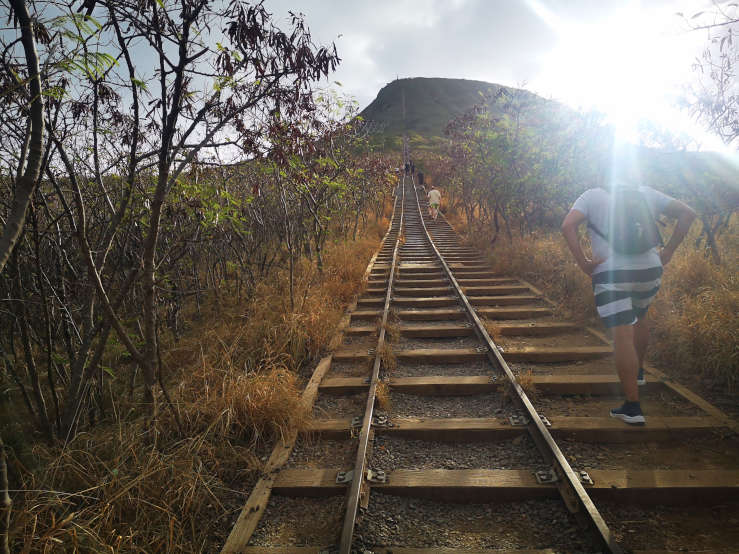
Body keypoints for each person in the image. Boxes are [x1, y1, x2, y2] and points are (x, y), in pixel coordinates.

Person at [561, 180, 695, 425]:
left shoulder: (591, 195)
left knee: (622, 335)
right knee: (639, 316)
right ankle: (639, 372)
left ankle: (632, 406)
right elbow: (688, 213)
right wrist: (669, 252)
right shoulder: (646, 192)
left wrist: (583, 262)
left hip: (611, 273)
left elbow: (568, 225)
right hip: (650, 271)